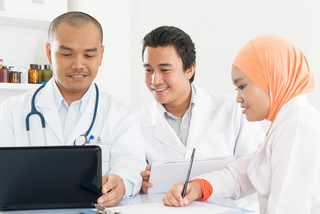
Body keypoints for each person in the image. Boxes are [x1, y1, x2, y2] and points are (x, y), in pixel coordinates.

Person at [0, 11, 146, 207]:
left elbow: (132, 165)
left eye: (89, 54)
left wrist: (121, 183)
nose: (78, 64)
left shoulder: (123, 117)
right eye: (67, 54)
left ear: (101, 55)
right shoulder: (11, 111)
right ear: (49, 52)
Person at [162, 35, 320, 213]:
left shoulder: (298, 129)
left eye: (242, 86)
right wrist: (197, 187)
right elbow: (240, 175)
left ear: (272, 79)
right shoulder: (286, 125)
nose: (238, 98)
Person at [140, 26, 265, 193]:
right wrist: (138, 183)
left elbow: (258, 168)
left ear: (189, 69)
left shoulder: (233, 110)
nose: (155, 80)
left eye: (164, 70)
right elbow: (132, 175)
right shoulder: (138, 124)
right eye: (149, 70)